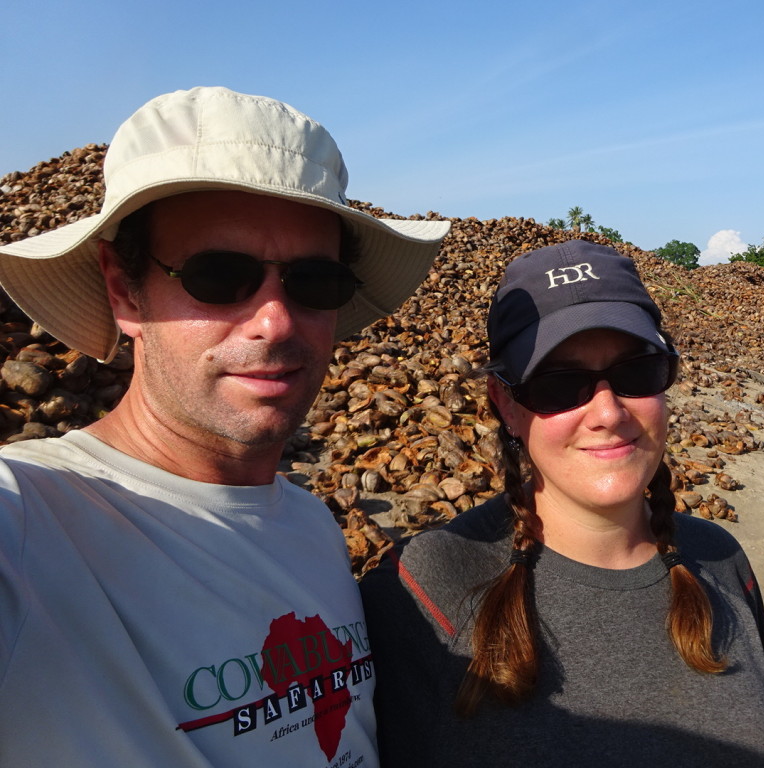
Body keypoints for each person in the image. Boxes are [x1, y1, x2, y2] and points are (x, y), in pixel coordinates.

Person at [0, 86, 449, 766]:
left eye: (313, 281)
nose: (275, 320)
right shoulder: (31, 528)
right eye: (218, 275)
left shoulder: (312, 528)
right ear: (125, 291)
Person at [360, 239, 764, 767]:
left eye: (637, 372)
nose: (608, 412)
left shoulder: (722, 560)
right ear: (506, 404)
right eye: (560, 384)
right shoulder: (423, 590)